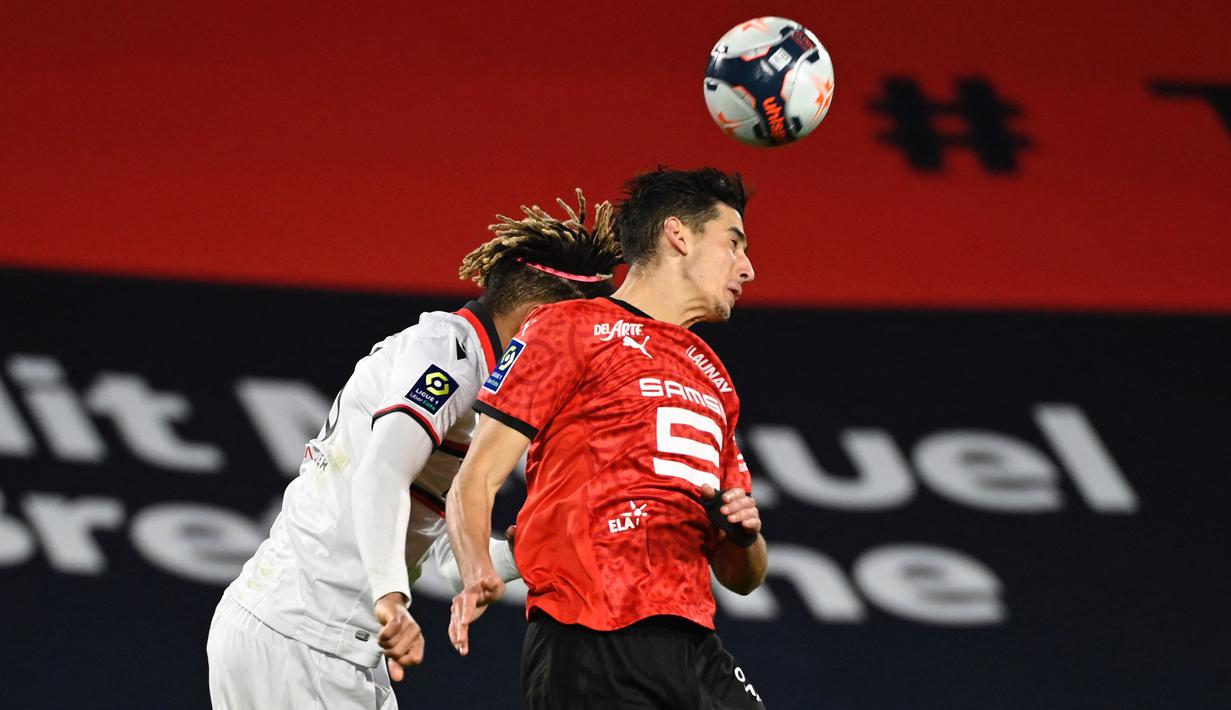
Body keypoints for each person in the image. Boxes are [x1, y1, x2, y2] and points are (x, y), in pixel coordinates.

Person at [206, 191, 623, 710]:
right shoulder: (448, 359)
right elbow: (381, 474)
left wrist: (530, 552)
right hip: (305, 641)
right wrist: (391, 599)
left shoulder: (480, 386)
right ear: (538, 319)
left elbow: (446, 555)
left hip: (324, 645)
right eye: (579, 333)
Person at [446, 166, 768, 708]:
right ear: (678, 235)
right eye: (733, 244)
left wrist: (743, 536)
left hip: (693, 646)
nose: (748, 268)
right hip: (589, 635)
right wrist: (477, 566)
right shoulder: (566, 328)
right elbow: (475, 477)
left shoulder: (714, 379)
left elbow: (744, 578)